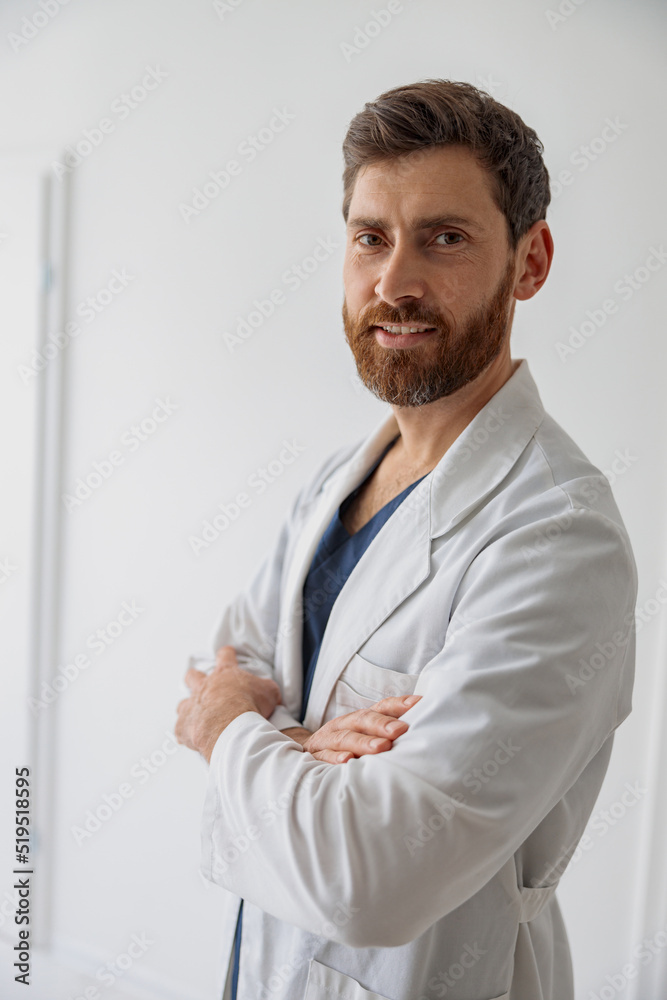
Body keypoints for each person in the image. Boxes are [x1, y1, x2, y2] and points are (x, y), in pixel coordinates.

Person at [175, 79, 637, 1000]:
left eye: (445, 237)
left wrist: (235, 729)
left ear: (530, 262)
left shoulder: (557, 535)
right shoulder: (336, 480)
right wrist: (294, 748)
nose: (393, 282)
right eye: (369, 238)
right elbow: (218, 667)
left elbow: (370, 879)